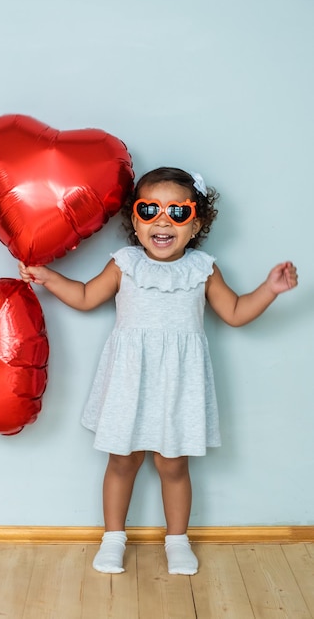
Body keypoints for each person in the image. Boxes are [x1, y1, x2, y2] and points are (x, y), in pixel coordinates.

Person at [19, 167, 298, 576]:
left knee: (173, 465)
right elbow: (83, 296)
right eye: (149, 209)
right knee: (122, 460)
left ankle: (177, 540)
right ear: (135, 219)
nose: (162, 220)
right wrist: (51, 278)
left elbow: (235, 313)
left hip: (179, 384)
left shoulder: (203, 268)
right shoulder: (125, 263)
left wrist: (269, 290)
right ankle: (113, 537)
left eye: (177, 212)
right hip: (130, 380)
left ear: (196, 223)